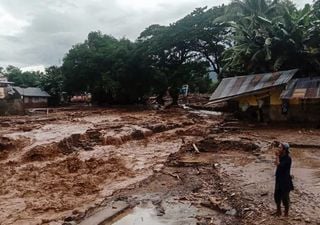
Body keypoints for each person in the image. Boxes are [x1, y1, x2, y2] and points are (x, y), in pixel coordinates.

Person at [274, 142, 293, 217]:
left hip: (285, 181)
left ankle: (286, 213)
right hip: (278, 179)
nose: (278, 149)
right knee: (276, 196)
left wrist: (277, 156)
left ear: (284, 149)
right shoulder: (281, 156)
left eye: (280, 147)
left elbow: (279, 165)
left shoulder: (288, 158)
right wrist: (277, 157)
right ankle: (278, 211)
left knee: (285, 198)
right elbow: (276, 163)